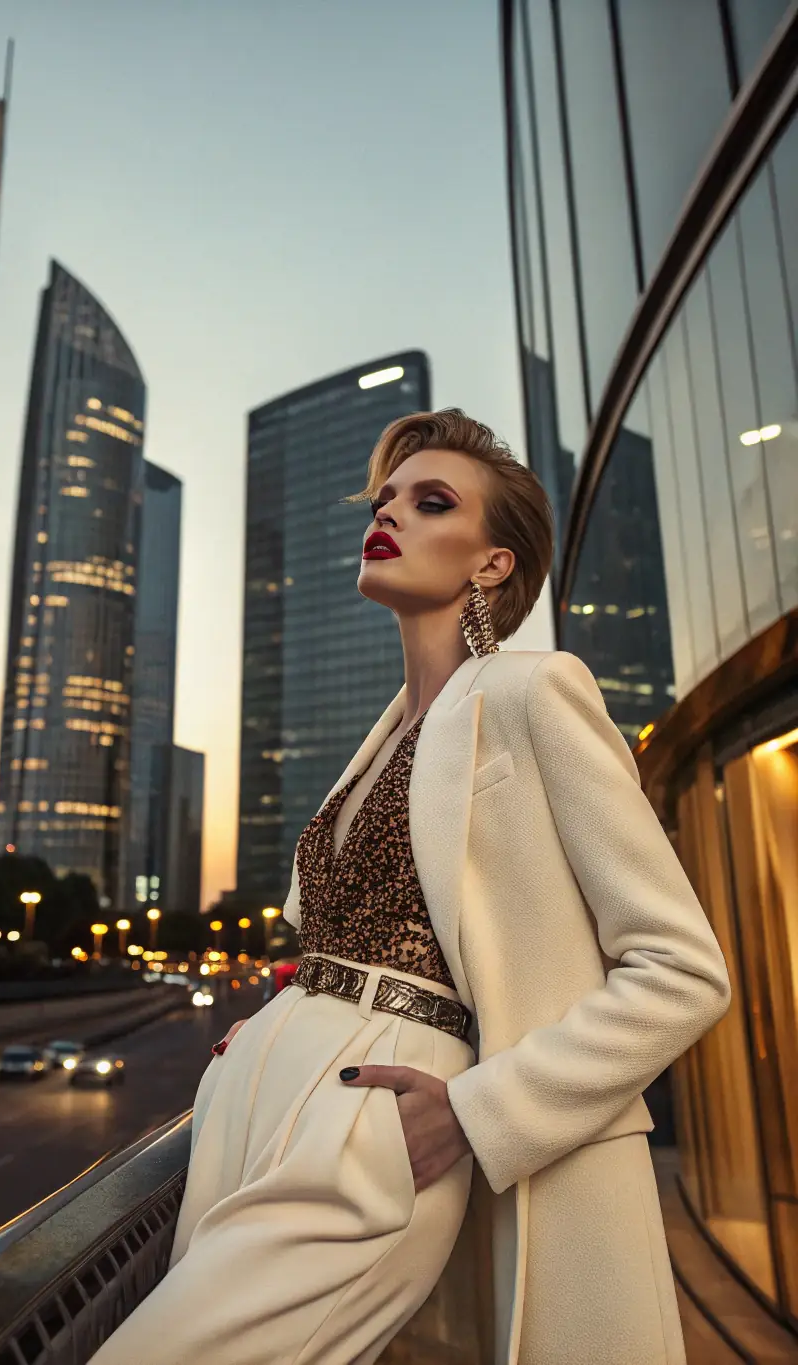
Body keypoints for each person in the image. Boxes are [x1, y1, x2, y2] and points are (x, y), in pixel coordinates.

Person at [91, 409, 730, 1365]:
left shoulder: (534, 691)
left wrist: (481, 1113)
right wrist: (274, 1027)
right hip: (262, 1104)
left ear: (492, 564)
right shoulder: (384, 736)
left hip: (384, 1125)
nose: (388, 513)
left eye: (432, 503)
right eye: (387, 497)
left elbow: (683, 970)